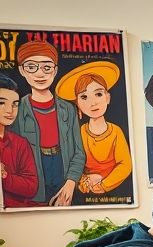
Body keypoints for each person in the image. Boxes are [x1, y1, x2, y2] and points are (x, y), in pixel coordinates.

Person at [11, 40, 85, 206]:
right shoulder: (17, 109)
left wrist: (71, 181)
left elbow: (79, 152)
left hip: (62, 166)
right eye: (31, 66)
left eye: (46, 67)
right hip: (34, 173)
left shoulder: (68, 109)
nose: (40, 74)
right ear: (22, 70)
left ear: (55, 70)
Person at [55, 61, 132, 198]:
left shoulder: (116, 131)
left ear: (107, 98)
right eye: (84, 97)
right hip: (83, 195)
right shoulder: (79, 133)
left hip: (115, 193)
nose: (93, 102)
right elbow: (71, 163)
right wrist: (84, 181)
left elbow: (125, 165)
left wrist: (104, 184)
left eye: (98, 94)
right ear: (77, 104)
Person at [0, 74, 39, 209]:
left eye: (15, 104)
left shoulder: (20, 143)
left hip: (17, 215)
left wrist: (5, 176)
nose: (10, 110)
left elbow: (31, 187)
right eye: (1, 103)